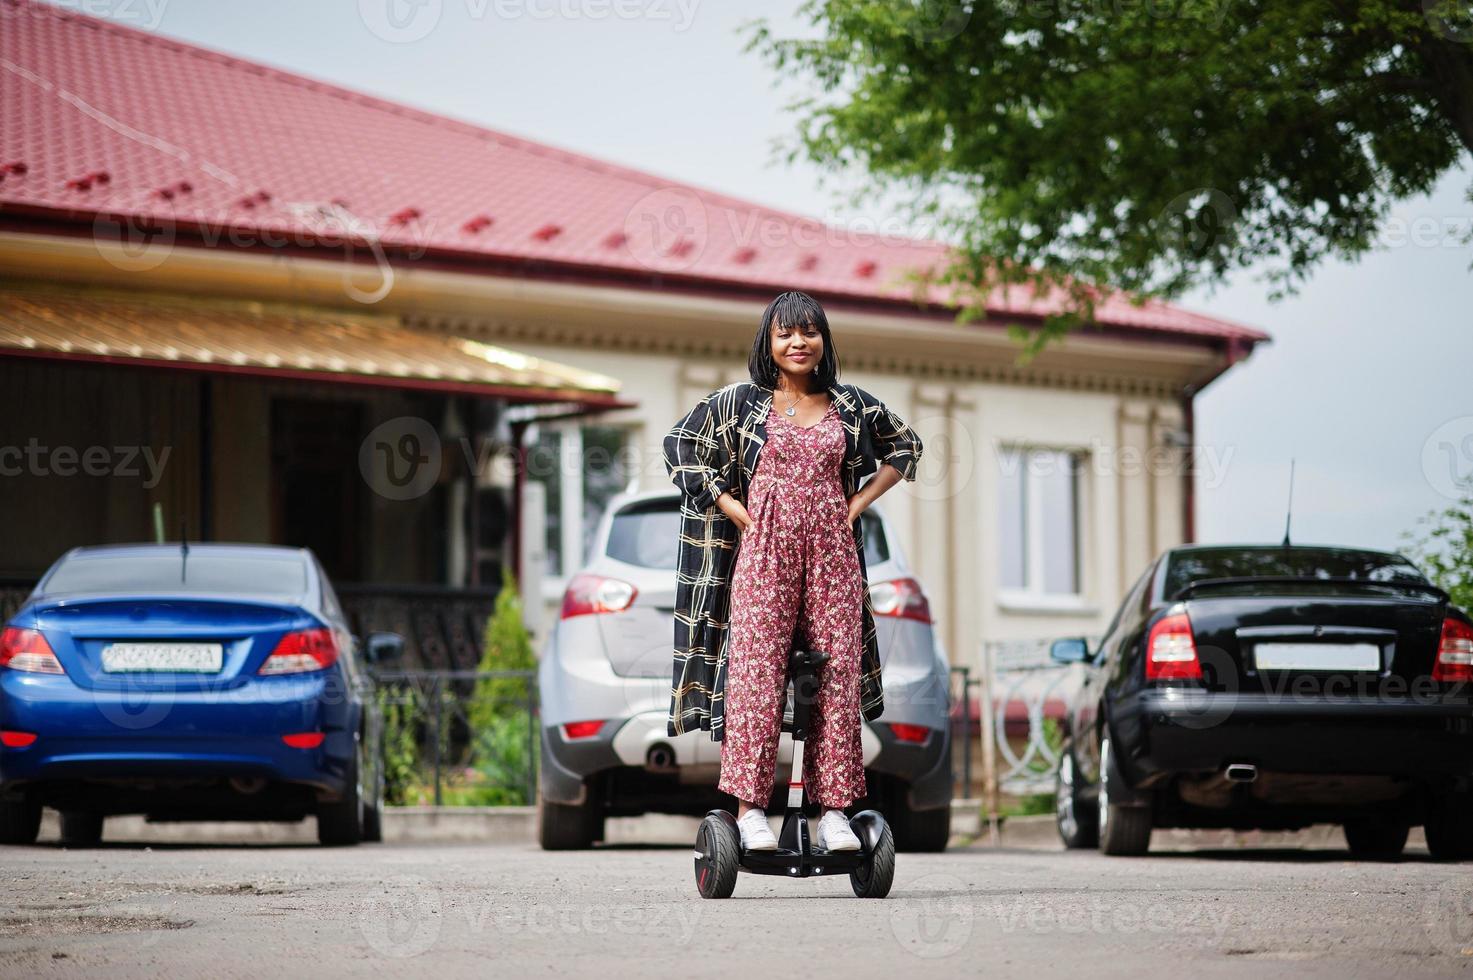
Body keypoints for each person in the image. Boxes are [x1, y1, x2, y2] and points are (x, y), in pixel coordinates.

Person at [662, 290, 925, 853]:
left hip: (833, 559)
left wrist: (856, 505)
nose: (797, 342)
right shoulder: (740, 404)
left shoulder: (850, 405)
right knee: (756, 679)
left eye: (808, 332)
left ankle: (835, 812)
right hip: (763, 557)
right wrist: (728, 503)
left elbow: (906, 447)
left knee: (835, 681)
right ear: (768, 342)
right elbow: (679, 443)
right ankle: (751, 810)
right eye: (785, 333)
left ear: (824, 339)